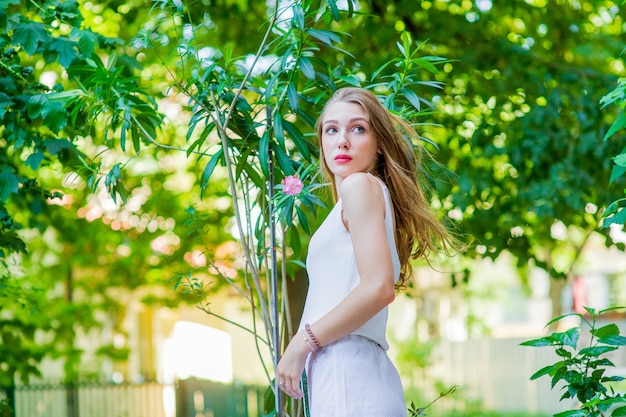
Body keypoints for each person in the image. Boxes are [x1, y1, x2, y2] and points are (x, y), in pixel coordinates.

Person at [276, 87, 457, 416]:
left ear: (378, 144)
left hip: (349, 373)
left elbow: (378, 287)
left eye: (357, 128)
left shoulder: (360, 186)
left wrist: (302, 342)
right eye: (331, 130)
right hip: (351, 374)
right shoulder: (355, 196)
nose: (342, 140)